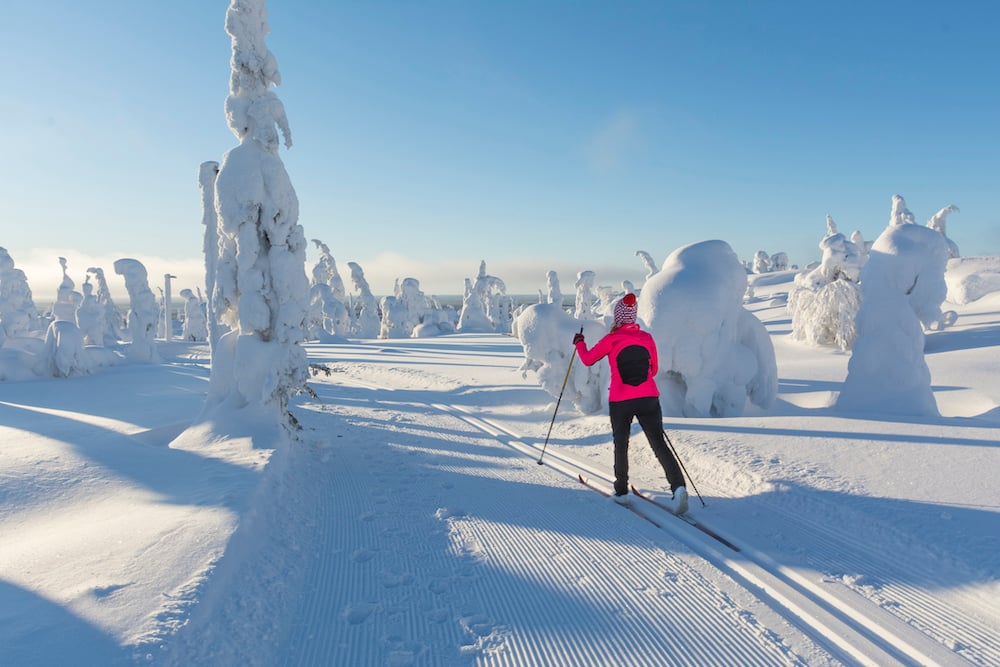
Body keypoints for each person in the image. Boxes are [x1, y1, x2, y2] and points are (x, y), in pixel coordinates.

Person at [572, 293, 688, 514]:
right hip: (649, 398)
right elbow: (653, 370)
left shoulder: (611, 340)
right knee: (659, 443)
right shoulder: (646, 338)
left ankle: (622, 492)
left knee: (621, 444)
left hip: (620, 399)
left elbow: (587, 359)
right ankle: (679, 488)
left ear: (618, 318)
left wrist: (580, 343)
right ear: (633, 318)